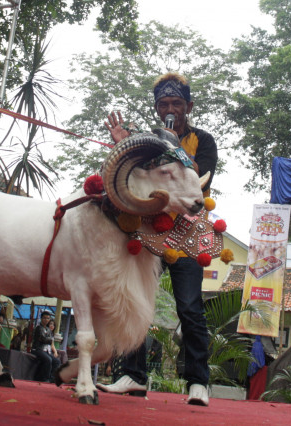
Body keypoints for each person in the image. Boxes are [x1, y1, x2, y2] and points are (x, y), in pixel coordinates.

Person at [99, 71, 217, 407]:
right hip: (148, 231)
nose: (170, 108)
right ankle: (132, 376)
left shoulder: (203, 141)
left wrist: (172, 142)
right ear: (155, 108)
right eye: (163, 103)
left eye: (176, 103)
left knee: (190, 307)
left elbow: (199, 183)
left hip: (188, 233)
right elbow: (131, 177)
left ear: (188, 106)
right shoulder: (146, 142)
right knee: (136, 300)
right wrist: (122, 142)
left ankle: (198, 381)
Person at [31, 311, 60, 383]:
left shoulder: (48, 330)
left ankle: (52, 378)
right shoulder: (38, 328)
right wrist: (49, 340)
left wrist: (48, 340)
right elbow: (43, 339)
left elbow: (48, 340)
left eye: (48, 318)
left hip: (46, 351)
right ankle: (45, 378)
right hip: (37, 349)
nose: (46, 320)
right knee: (48, 359)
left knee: (57, 361)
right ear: (41, 318)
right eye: (44, 318)